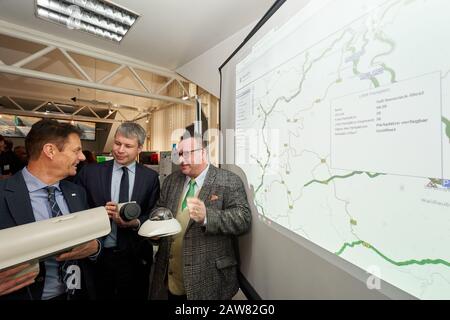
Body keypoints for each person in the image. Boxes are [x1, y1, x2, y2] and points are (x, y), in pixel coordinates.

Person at [0, 119, 100, 300]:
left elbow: (90, 239)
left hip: (75, 293)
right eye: (76, 150)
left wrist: (95, 247)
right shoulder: (3, 195)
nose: (83, 157)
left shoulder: (77, 192)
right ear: (50, 151)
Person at [150, 128, 252, 300]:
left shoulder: (228, 181)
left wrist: (207, 217)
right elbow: (159, 210)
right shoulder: (171, 181)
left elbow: (243, 219)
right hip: (171, 278)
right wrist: (155, 232)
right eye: (179, 154)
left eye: (187, 154)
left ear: (203, 153)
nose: (181, 160)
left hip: (209, 280)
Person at [75, 122, 160, 300]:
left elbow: (153, 214)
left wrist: (135, 223)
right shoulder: (89, 173)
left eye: (128, 146)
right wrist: (98, 214)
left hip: (135, 257)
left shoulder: (150, 178)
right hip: (97, 256)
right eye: (117, 143)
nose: (120, 150)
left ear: (139, 148)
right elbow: (75, 211)